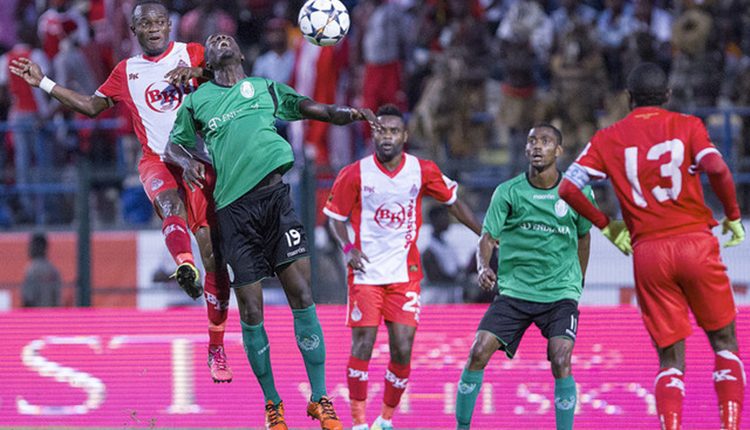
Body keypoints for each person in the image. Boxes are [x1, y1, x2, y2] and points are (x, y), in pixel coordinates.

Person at [9, 0, 233, 383]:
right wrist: (43, 82)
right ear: (134, 31)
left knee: (214, 257)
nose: (154, 28)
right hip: (158, 159)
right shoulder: (126, 71)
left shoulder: (192, 52)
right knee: (168, 204)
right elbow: (91, 106)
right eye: (146, 24)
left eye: (160, 22)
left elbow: (232, 75)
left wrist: (197, 71)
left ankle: (216, 346)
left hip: (199, 160)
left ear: (169, 25)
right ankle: (184, 263)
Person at [166, 33, 377, 430]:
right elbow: (172, 147)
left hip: (276, 201)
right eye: (213, 40)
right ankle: (273, 405)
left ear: (241, 52)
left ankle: (320, 398)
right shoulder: (197, 100)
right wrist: (187, 160)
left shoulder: (264, 87)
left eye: (227, 38)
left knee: (302, 293)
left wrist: (350, 113)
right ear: (206, 61)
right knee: (250, 309)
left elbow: (312, 108)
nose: (221, 39)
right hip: (233, 211)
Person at [559, 62, 746, 430]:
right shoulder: (689, 126)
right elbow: (718, 169)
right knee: (725, 344)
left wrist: (607, 226)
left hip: (649, 253)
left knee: (670, 361)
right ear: (668, 95)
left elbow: (567, 187)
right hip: (695, 243)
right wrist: (733, 215)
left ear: (629, 98)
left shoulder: (607, 138)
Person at [323, 104, 482, 430]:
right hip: (366, 274)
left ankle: (385, 420)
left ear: (404, 136)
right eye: (381, 130)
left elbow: (453, 203)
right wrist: (348, 248)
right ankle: (358, 423)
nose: (387, 137)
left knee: (403, 349)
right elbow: (335, 218)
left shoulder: (421, 170)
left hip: (404, 276)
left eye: (394, 131)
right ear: (373, 134)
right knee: (363, 345)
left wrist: (484, 234)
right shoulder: (355, 172)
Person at [455, 124, 593, 430]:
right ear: (525, 149)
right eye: (532, 141)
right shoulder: (508, 192)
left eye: (545, 141)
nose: (537, 146)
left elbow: (584, 237)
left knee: (561, 359)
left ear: (559, 151)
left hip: (559, 294)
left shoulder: (577, 192)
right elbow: (487, 237)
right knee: (478, 351)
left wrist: (577, 283)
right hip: (515, 293)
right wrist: (483, 266)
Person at [22, 232, 62, 307]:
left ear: (39, 247)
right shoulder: (54, 270)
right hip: (51, 313)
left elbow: (27, 299)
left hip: (36, 313)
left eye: (31, 246)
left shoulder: (31, 270)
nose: (29, 249)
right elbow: (57, 300)